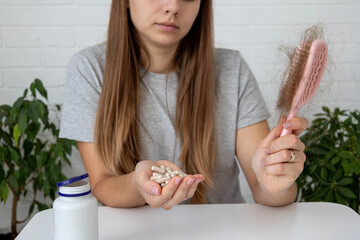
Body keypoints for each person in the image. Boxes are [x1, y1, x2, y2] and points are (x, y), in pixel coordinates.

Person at [59, 0, 308, 210]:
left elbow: (266, 190)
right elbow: (101, 183)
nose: (173, 7)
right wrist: (137, 183)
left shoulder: (232, 70)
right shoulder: (89, 69)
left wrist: (276, 181)